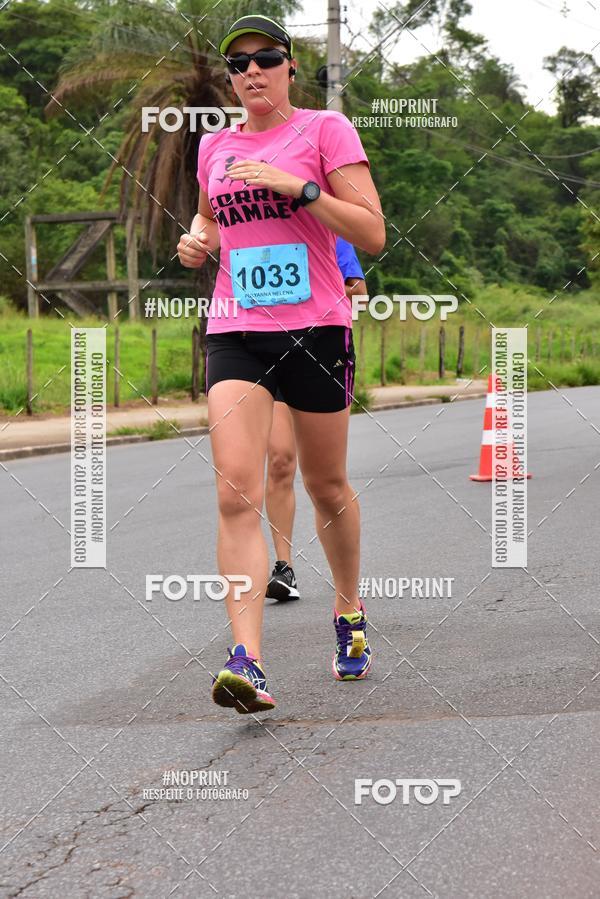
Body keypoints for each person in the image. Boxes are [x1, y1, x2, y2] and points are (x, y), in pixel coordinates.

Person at [177, 14, 385, 714]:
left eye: (265, 58)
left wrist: (299, 187)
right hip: (236, 330)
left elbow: (372, 232)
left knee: (326, 485)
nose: (252, 72)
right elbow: (212, 218)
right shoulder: (214, 145)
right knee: (236, 491)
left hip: (317, 328)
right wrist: (197, 240)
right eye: (238, 64)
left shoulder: (326, 131)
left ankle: (349, 609)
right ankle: (248, 660)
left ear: (291, 66)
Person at [265, 237, 366, 602]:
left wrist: (314, 285)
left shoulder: (327, 227)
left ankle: (347, 593)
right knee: (280, 461)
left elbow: (359, 293)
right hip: (264, 347)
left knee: (325, 482)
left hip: (317, 350)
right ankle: (283, 567)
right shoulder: (259, 226)